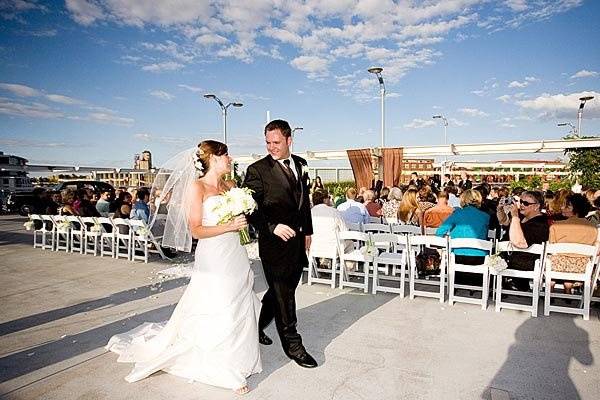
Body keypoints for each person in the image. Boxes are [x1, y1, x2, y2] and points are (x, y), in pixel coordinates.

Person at [107, 140, 261, 395]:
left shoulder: (231, 186)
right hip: (213, 255)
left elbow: (237, 218)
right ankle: (222, 369)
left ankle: (237, 361)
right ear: (212, 158)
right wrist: (229, 226)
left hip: (235, 252)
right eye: (226, 155)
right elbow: (196, 229)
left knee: (239, 301)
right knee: (219, 303)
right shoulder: (197, 187)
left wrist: (241, 224)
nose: (230, 159)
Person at [243, 119, 317, 369]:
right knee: (284, 294)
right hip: (273, 244)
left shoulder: (302, 164)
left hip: (297, 242)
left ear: (289, 141)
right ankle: (293, 345)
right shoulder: (257, 170)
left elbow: (304, 202)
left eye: (276, 142)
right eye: (267, 142)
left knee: (279, 292)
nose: (271, 147)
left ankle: (255, 327)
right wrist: (272, 226)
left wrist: (307, 231)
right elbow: (249, 208)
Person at [436, 189, 490, 285]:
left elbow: (439, 232)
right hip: (480, 260)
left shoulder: (457, 214)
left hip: (458, 259)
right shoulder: (485, 216)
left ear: (463, 199)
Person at [549, 193, 599, 295]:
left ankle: (551, 287)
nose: (562, 207)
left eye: (566, 205)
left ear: (574, 209)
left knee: (548, 258)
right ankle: (568, 285)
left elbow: (551, 248)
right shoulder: (593, 228)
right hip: (582, 268)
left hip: (558, 267)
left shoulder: (556, 226)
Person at [500, 191, 549, 291]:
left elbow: (520, 243)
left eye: (526, 203)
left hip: (526, 262)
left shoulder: (540, 223)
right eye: (521, 202)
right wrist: (500, 210)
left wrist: (515, 216)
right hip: (514, 258)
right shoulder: (523, 217)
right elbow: (505, 222)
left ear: (537, 206)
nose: (522, 205)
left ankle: (515, 283)